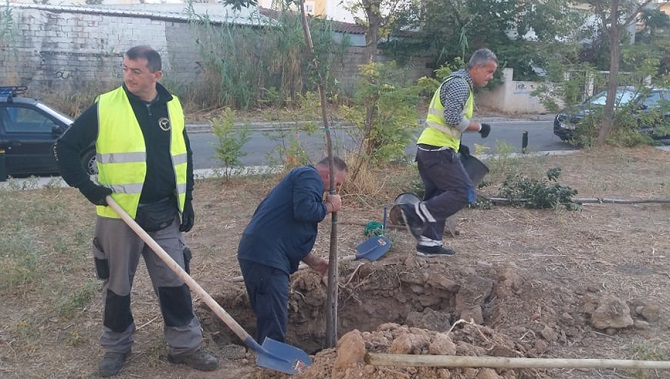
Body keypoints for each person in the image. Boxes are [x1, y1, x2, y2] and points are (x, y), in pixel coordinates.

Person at [53, 45, 218, 377]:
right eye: (125, 68)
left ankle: (184, 347)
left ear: (156, 75)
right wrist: (88, 187)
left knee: (176, 280)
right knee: (117, 285)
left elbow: (183, 154)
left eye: (136, 71)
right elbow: (65, 147)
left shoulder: (172, 106)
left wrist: (187, 203)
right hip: (120, 216)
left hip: (164, 214)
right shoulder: (106, 106)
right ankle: (116, 348)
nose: (128, 76)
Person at [237, 156, 347, 344]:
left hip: (262, 253)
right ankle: (271, 366)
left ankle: (268, 357)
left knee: (269, 313)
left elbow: (288, 230)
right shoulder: (309, 175)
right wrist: (330, 206)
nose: (334, 189)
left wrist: (314, 263)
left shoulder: (303, 182)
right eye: (337, 183)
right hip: (265, 256)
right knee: (273, 317)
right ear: (328, 174)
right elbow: (304, 211)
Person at [400, 48, 498, 257]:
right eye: (489, 72)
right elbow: (453, 118)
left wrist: (457, 142)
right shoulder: (459, 84)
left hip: (431, 148)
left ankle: (429, 244)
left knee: (439, 195)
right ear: (477, 67)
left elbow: (446, 122)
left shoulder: (457, 83)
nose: (491, 77)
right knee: (463, 192)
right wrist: (480, 127)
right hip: (438, 150)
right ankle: (415, 212)